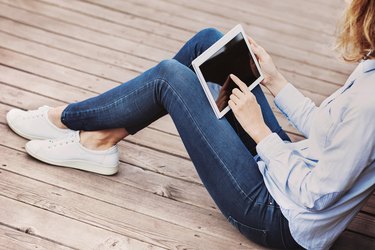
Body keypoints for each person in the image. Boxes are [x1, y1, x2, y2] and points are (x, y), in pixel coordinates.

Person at [5, 0, 375, 249]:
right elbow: (329, 133)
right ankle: (101, 140)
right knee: (209, 43)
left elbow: (318, 194)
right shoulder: (370, 71)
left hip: (281, 216)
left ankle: (65, 119)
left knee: (170, 77)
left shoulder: (370, 104)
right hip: (288, 168)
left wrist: (259, 130)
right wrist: (275, 80)